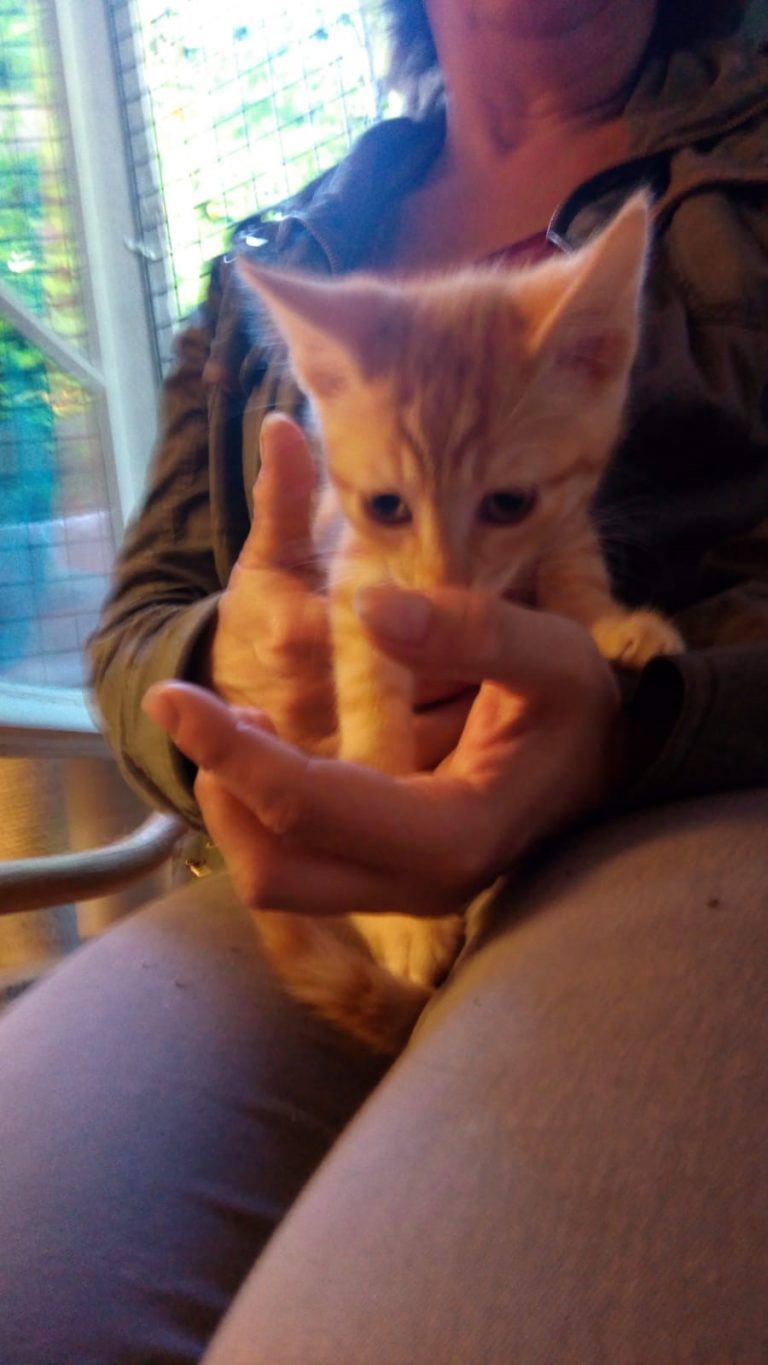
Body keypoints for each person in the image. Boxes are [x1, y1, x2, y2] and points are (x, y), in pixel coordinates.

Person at [2, 1, 768, 1360]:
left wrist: (641, 719)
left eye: (500, 507)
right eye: (402, 513)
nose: (447, 580)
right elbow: (136, 628)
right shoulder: (283, 252)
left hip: (679, 831)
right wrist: (231, 668)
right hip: (311, 854)